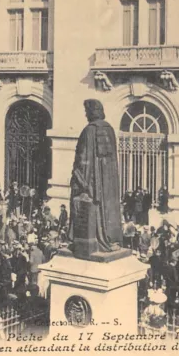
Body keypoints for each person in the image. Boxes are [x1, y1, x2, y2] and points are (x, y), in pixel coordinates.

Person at [68, 99, 123, 250]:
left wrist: (79, 178)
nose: (86, 115)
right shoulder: (110, 129)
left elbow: (83, 159)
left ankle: (97, 239)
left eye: (87, 111)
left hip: (93, 181)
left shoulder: (89, 130)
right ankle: (110, 239)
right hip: (108, 181)